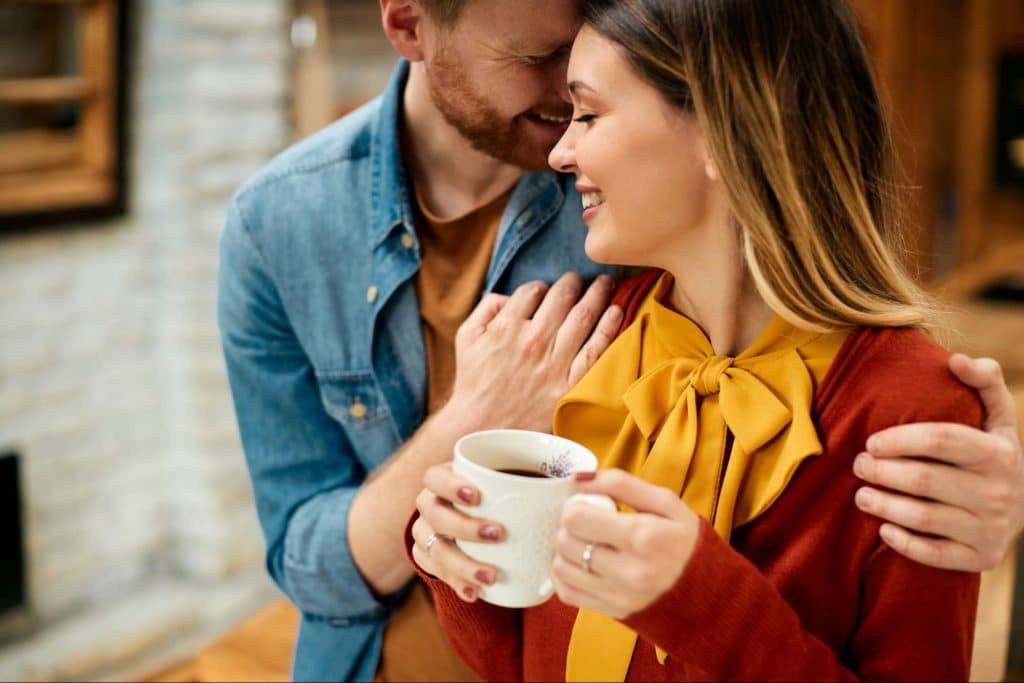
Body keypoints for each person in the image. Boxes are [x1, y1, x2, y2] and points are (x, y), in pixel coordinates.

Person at [216, 0, 1023, 680]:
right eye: (539, 61)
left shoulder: (905, 407)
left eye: (587, 108)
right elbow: (525, 645)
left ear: (725, 129)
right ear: (407, 25)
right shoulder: (609, 335)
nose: (563, 147)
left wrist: (700, 598)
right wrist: (456, 543)